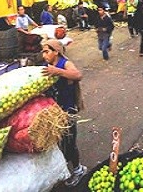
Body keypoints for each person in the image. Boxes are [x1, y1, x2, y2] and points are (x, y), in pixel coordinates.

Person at [41, 39, 86, 187]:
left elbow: (78, 75)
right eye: (43, 51)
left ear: (56, 52)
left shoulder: (64, 63)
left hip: (67, 111)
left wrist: (57, 71)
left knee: (70, 143)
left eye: (46, 51)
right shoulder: (48, 65)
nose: (44, 55)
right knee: (60, 143)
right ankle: (65, 169)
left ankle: (78, 169)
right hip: (54, 112)